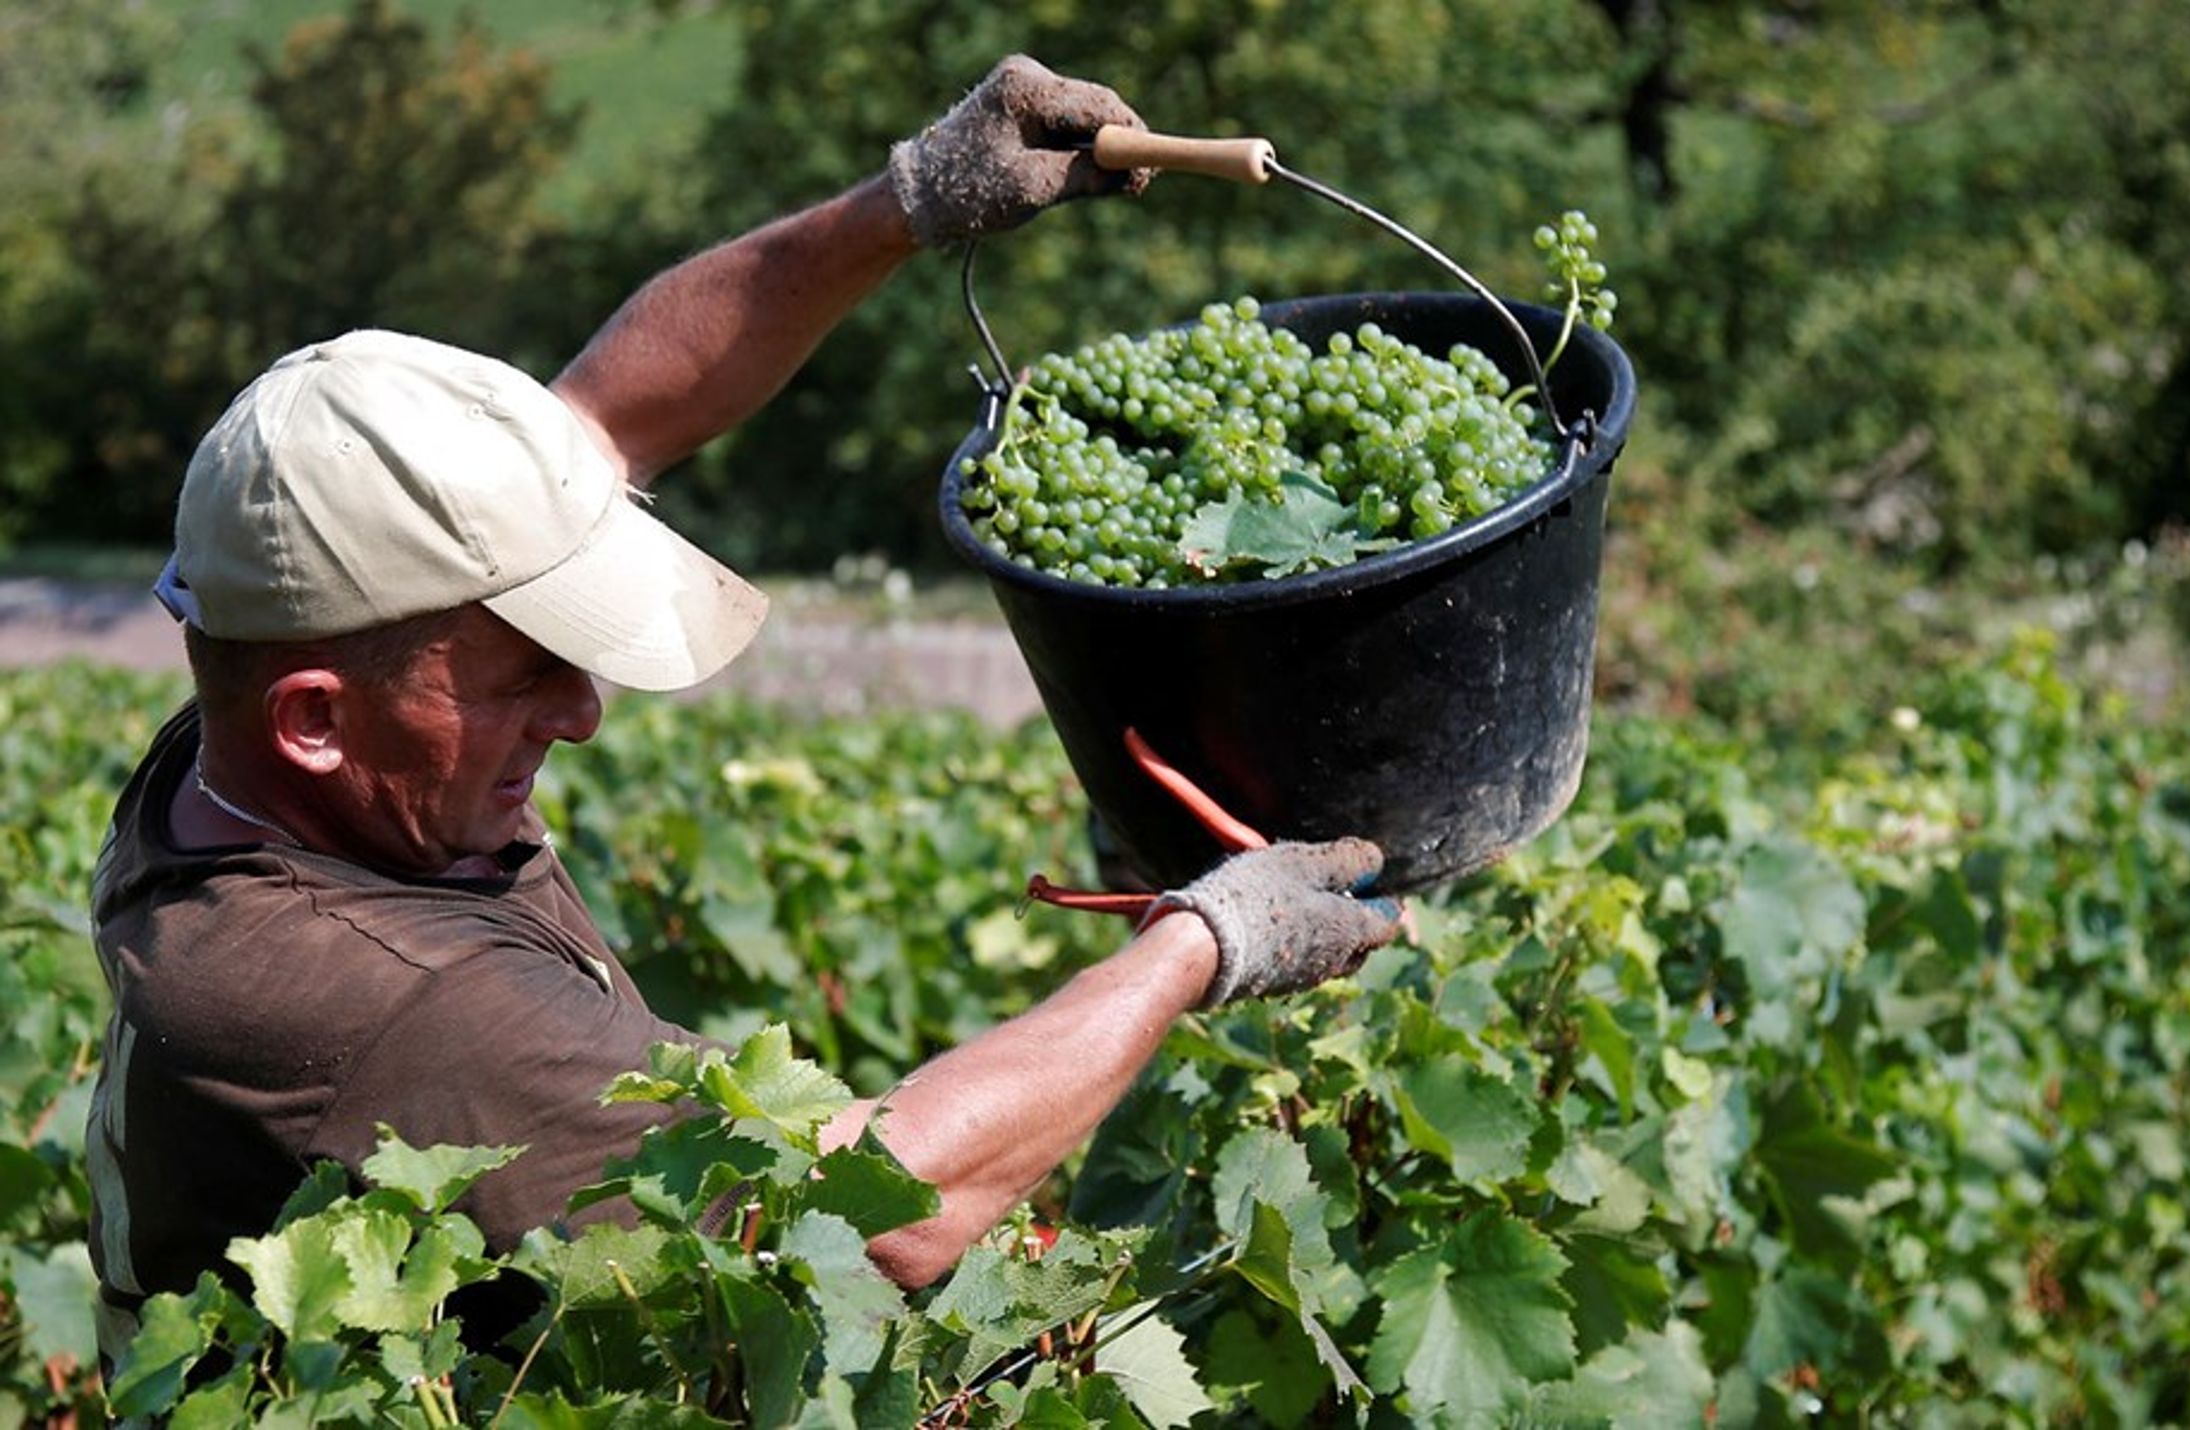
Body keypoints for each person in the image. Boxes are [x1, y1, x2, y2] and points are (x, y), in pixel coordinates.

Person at [83, 55, 1403, 1362]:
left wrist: (911, 198)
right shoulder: (385, 1006)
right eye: (528, 666)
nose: (583, 710)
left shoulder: (252, 725)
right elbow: (877, 1209)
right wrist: (1204, 942)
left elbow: (614, 413)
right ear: (317, 716)